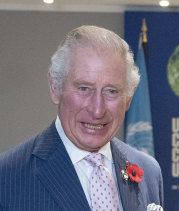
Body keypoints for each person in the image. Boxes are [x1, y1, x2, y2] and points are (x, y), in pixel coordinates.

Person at [0, 25, 163, 211]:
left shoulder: (149, 171)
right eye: (84, 89)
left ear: (128, 98)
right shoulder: (7, 177)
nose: (97, 110)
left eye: (111, 91)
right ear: (55, 88)